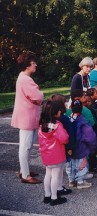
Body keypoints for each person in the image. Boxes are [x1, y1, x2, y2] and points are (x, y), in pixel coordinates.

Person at [11, 51, 44, 184]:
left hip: (27, 116)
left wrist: (37, 97)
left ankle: (24, 170)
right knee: (25, 147)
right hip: (27, 117)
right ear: (28, 64)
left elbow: (35, 97)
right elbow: (38, 97)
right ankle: (25, 175)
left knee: (27, 146)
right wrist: (39, 94)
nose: (35, 64)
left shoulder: (23, 77)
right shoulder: (25, 79)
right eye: (33, 62)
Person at [38, 100, 69, 206]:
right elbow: (64, 138)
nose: (60, 111)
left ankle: (47, 195)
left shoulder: (42, 124)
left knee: (48, 174)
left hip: (46, 154)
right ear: (55, 112)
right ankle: (54, 198)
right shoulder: (57, 125)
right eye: (59, 110)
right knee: (55, 176)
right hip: (56, 154)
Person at [66, 100, 97, 188]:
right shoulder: (83, 122)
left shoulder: (67, 119)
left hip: (69, 147)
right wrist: (92, 147)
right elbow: (90, 137)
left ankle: (71, 180)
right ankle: (80, 181)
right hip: (81, 147)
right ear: (81, 109)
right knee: (81, 164)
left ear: (71, 108)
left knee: (70, 164)